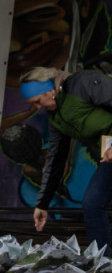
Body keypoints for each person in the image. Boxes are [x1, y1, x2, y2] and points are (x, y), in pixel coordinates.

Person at [22, 67, 112, 254]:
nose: (38, 108)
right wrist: (42, 204)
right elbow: (56, 160)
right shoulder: (56, 117)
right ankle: (105, 263)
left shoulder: (82, 84)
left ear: (50, 91)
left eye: (38, 101)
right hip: (108, 154)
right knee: (93, 203)